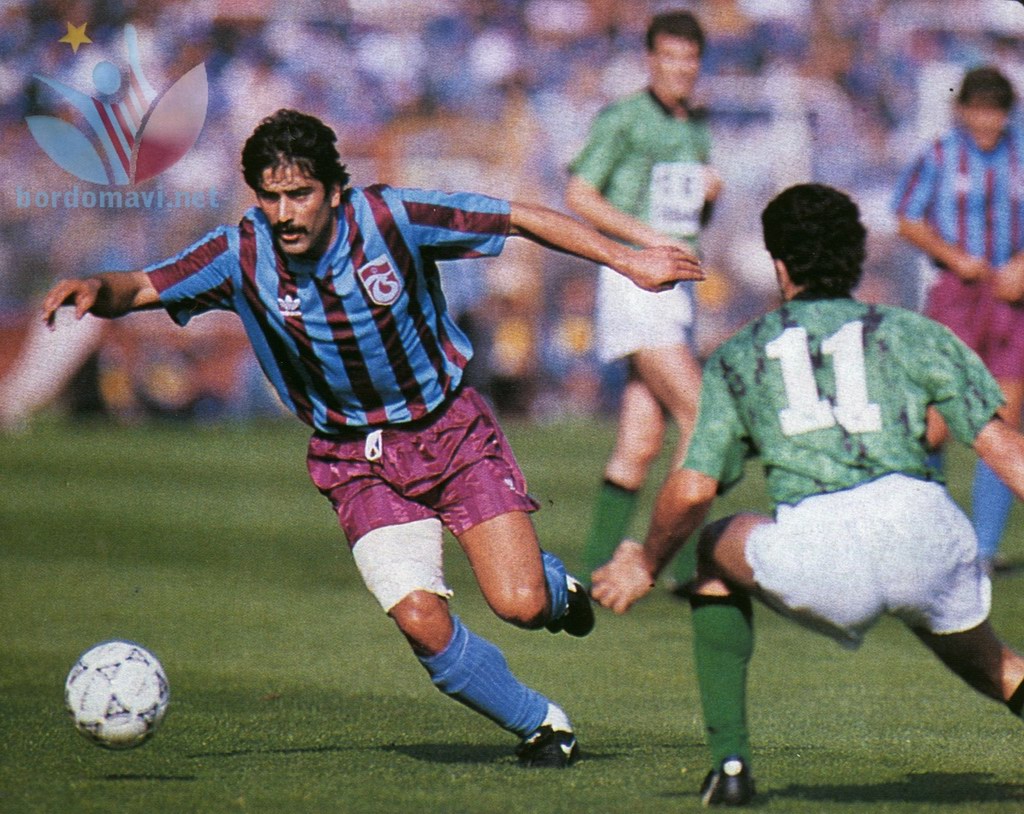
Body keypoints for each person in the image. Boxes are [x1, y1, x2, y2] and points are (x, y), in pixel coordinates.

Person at [41, 109, 702, 767]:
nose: (284, 214)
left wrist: (628, 260)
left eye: (299, 194)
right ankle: (542, 725)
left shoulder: (391, 218)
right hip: (353, 458)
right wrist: (95, 287)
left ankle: (555, 590)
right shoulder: (240, 253)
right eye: (270, 197)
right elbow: (144, 285)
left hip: (447, 430)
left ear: (334, 190)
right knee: (418, 616)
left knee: (521, 604)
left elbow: (518, 217)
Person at [591, 183, 1024, 805]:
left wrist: (647, 561)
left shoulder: (741, 355)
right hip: (924, 530)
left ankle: (731, 768)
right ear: (858, 259)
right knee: (994, 664)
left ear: (779, 264)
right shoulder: (915, 333)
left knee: (713, 547)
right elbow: (1006, 452)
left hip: (821, 551)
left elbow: (691, 490)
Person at [565, 9, 722, 582]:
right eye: (669, 56)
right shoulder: (624, 118)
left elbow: (687, 220)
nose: (680, 68)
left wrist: (709, 200)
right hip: (636, 280)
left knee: (641, 439)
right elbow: (580, 194)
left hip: (677, 287)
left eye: (689, 58)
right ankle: (675, 564)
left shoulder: (696, 127)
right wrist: (646, 239)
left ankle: (593, 572)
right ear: (651, 60)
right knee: (703, 417)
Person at [893, 65, 1024, 573]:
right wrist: (952, 256)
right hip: (955, 295)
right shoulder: (940, 155)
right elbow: (907, 217)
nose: (988, 122)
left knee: (1004, 420)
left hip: (1011, 300)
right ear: (962, 110)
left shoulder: (1019, 155)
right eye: (979, 111)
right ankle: (936, 538)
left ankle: (985, 550)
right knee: (935, 424)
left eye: (998, 112)